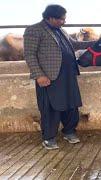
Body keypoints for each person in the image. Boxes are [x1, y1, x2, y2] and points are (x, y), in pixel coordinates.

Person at [24, 4, 95, 150]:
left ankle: (69, 131)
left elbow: (74, 44)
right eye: (61, 19)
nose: (64, 21)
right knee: (51, 108)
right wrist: (39, 75)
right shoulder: (34, 30)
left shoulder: (61, 30)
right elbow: (29, 55)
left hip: (68, 74)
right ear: (51, 18)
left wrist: (97, 43)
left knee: (71, 105)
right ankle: (49, 138)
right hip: (49, 77)